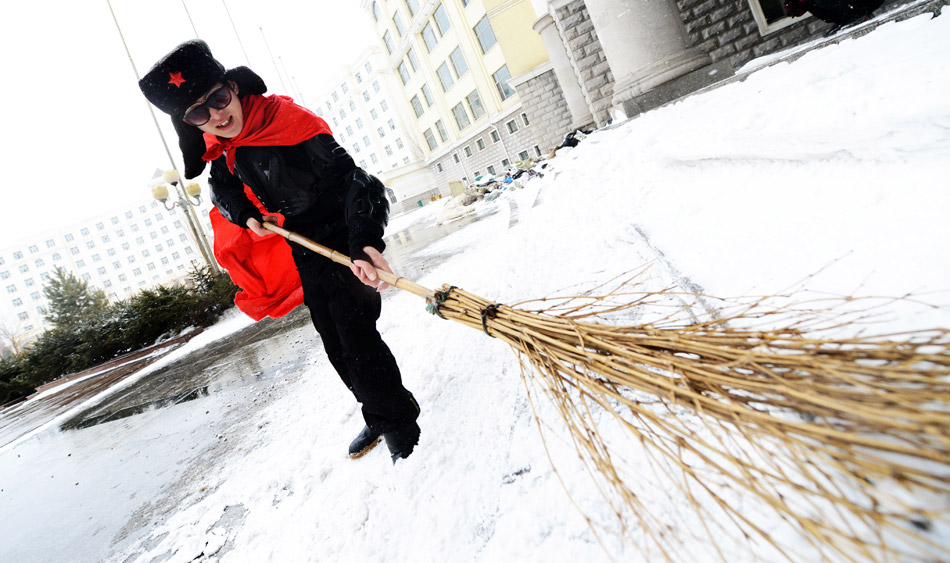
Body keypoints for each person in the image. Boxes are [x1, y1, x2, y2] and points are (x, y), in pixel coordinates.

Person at [138, 40, 420, 463]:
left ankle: (399, 422)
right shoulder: (227, 150)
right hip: (304, 248)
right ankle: (378, 411)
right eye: (200, 112)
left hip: (342, 239)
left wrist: (364, 242)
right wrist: (244, 212)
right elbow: (223, 187)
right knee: (335, 343)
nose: (216, 114)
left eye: (218, 98)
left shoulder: (287, 121)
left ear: (233, 87)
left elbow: (359, 183)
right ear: (191, 124)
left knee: (358, 338)